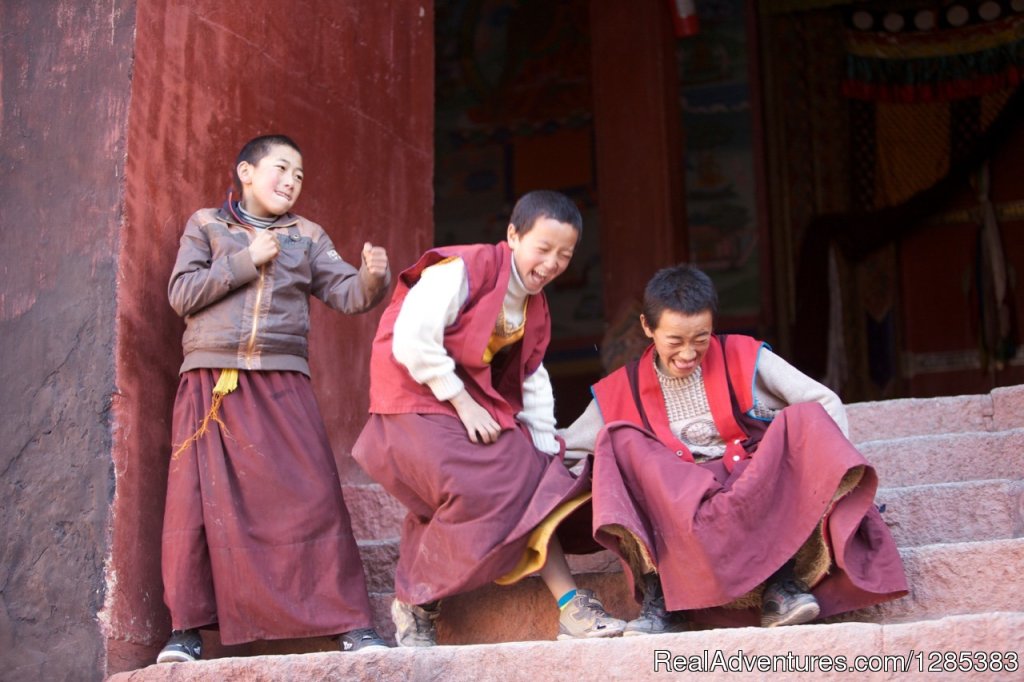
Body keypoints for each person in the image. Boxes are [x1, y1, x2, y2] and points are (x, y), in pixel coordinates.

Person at [561, 264, 908, 635]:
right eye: (674, 341)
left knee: (804, 418)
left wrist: (835, 480)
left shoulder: (743, 356)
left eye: (701, 338)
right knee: (618, 441)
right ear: (648, 328)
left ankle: (781, 586)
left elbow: (824, 401)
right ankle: (661, 598)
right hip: (676, 504)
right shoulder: (620, 389)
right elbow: (565, 451)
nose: (688, 352)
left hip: (751, 485)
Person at [353, 190, 625, 646]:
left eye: (565, 255)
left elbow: (531, 379)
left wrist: (544, 456)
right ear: (513, 236)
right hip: (412, 400)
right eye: (543, 248)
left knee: (536, 477)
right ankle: (416, 601)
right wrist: (461, 401)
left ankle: (569, 608)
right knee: (498, 480)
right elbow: (411, 340)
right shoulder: (463, 269)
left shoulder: (535, 307)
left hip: (468, 413)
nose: (552, 264)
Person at [158, 134, 392, 663]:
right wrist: (246, 260)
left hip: (282, 379)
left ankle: (348, 622)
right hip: (211, 380)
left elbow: (348, 295)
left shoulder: (307, 237)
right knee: (196, 503)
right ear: (245, 172)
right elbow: (181, 295)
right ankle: (186, 631)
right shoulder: (207, 225)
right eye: (281, 169)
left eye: (300, 175)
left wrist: (373, 279)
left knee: (313, 496)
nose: (291, 182)